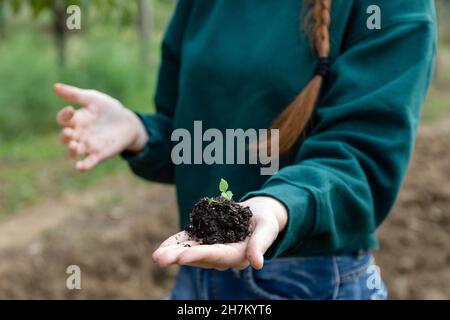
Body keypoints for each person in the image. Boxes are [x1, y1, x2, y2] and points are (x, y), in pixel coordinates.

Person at [54, 0, 436, 299]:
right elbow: (188, 135)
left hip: (308, 279)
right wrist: (138, 131)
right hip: (197, 269)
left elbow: (361, 158)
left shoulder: (392, 7)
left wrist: (278, 206)